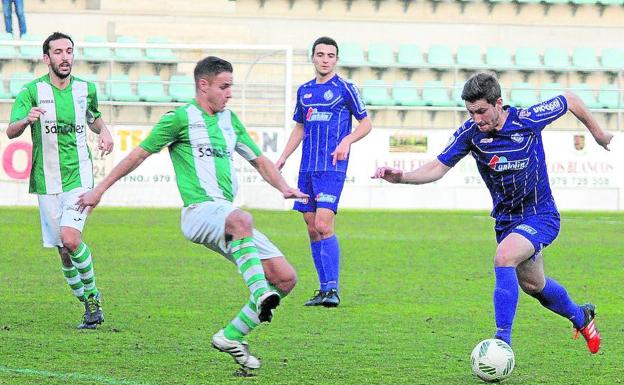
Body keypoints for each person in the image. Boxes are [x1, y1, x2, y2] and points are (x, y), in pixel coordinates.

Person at [76, 56, 308, 371]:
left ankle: (231, 336)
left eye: (231, 87)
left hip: (225, 216)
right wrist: (99, 189)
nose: (229, 94)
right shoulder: (180, 118)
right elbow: (138, 155)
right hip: (199, 212)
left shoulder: (230, 121)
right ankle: (259, 293)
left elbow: (260, 161)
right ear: (204, 85)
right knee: (243, 220)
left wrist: (283, 187)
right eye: (224, 87)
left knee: (285, 277)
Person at [373, 72, 612, 354]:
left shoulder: (528, 118)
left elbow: (570, 99)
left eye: (482, 111)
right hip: (507, 222)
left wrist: (597, 134)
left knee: (504, 257)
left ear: (499, 103)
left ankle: (502, 345)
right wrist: (402, 177)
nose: (477, 119)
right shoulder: (470, 134)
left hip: (541, 215)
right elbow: (438, 167)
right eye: (471, 112)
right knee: (534, 285)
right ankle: (581, 316)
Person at [6, 32, 114, 329]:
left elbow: (93, 116)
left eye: (69, 51)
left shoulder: (85, 89)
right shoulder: (31, 92)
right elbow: (11, 131)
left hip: (79, 176)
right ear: (47, 58)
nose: (65, 57)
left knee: (70, 238)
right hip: (46, 180)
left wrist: (103, 130)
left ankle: (92, 297)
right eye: (58, 52)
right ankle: (87, 303)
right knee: (63, 251)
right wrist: (26, 120)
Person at [276, 36, 372, 307]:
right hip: (307, 168)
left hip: (331, 168)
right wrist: (283, 156)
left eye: (330, 55)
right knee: (310, 226)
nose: (325, 59)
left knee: (323, 224)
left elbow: (366, 124)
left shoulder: (345, 88)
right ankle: (323, 288)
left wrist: (346, 140)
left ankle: (333, 289)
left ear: (336, 59)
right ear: (313, 58)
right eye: (320, 55)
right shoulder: (304, 91)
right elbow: (299, 127)